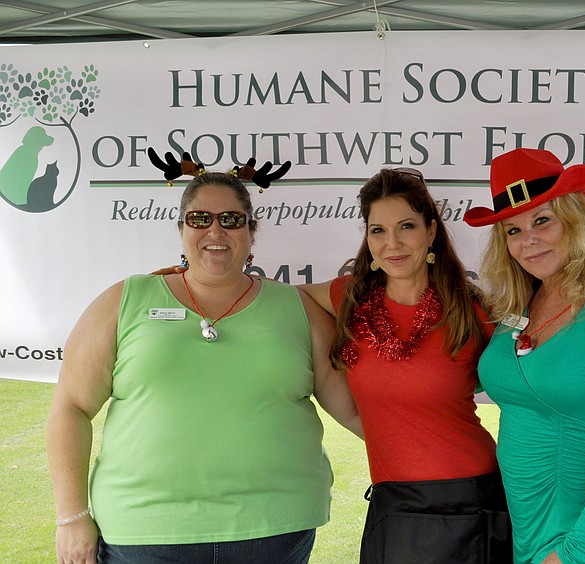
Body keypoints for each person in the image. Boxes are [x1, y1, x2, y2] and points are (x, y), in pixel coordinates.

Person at [47, 168, 361, 564]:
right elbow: (71, 408)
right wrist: (71, 516)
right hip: (144, 532)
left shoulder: (297, 309)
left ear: (251, 231)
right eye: (200, 218)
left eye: (231, 219)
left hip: (274, 531)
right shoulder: (125, 301)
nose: (216, 231)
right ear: (181, 228)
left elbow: (355, 411)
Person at [299, 167, 512, 564]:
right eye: (377, 230)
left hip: (472, 498)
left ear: (431, 232)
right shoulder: (349, 299)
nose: (392, 243)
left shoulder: (472, 309)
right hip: (393, 503)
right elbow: (279, 300)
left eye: (406, 226)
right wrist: (189, 279)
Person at [463, 148, 585, 564]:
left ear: (575, 221)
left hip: (581, 542)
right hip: (521, 531)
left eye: (542, 220)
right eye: (513, 230)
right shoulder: (519, 307)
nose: (528, 240)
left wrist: (576, 553)